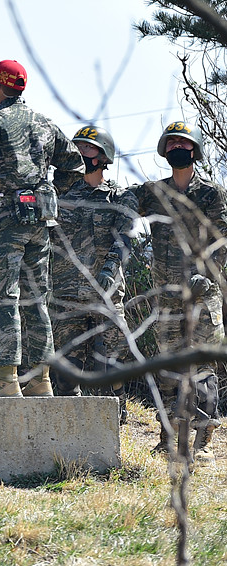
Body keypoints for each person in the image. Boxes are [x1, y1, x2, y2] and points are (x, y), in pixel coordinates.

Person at [0, 59, 85, 397]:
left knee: (3, 297)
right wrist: (48, 193)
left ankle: (7, 380)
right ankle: (41, 381)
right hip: (40, 221)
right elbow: (75, 166)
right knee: (37, 299)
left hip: (6, 222)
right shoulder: (44, 124)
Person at [132, 121, 225, 464]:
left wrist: (204, 277)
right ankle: (167, 438)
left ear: (194, 150)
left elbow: (221, 239)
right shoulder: (154, 192)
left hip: (202, 293)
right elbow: (118, 199)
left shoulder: (211, 194)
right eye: (170, 145)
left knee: (200, 363)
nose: (176, 149)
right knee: (168, 367)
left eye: (182, 144)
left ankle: (202, 442)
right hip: (167, 295)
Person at [50, 126, 137, 422]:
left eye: (87, 148)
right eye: (77, 148)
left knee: (110, 370)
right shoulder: (59, 198)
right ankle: (69, 430)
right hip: (67, 300)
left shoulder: (120, 198)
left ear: (103, 156)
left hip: (106, 300)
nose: (80, 153)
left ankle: (114, 425)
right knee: (65, 376)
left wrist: (108, 274)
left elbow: (124, 241)